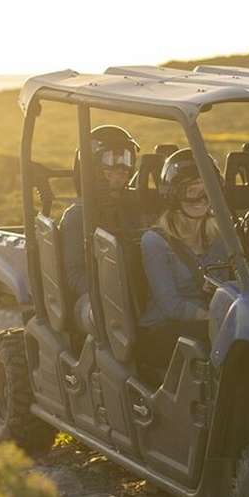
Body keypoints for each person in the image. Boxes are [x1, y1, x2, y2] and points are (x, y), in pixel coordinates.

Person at [137, 148, 227, 376]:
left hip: (208, 322)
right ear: (174, 195)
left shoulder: (221, 237)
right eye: (191, 191)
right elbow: (171, 305)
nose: (200, 200)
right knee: (224, 337)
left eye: (206, 190)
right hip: (163, 328)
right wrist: (216, 318)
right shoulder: (155, 241)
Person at [60, 125, 140, 335]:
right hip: (92, 297)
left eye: (126, 158)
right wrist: (111, 291)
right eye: (112, 160)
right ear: (92, 167)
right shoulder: (77, 216)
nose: (122, 167)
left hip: (134, 290)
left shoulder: (134, 207)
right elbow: (74, 275)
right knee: (106, 312)